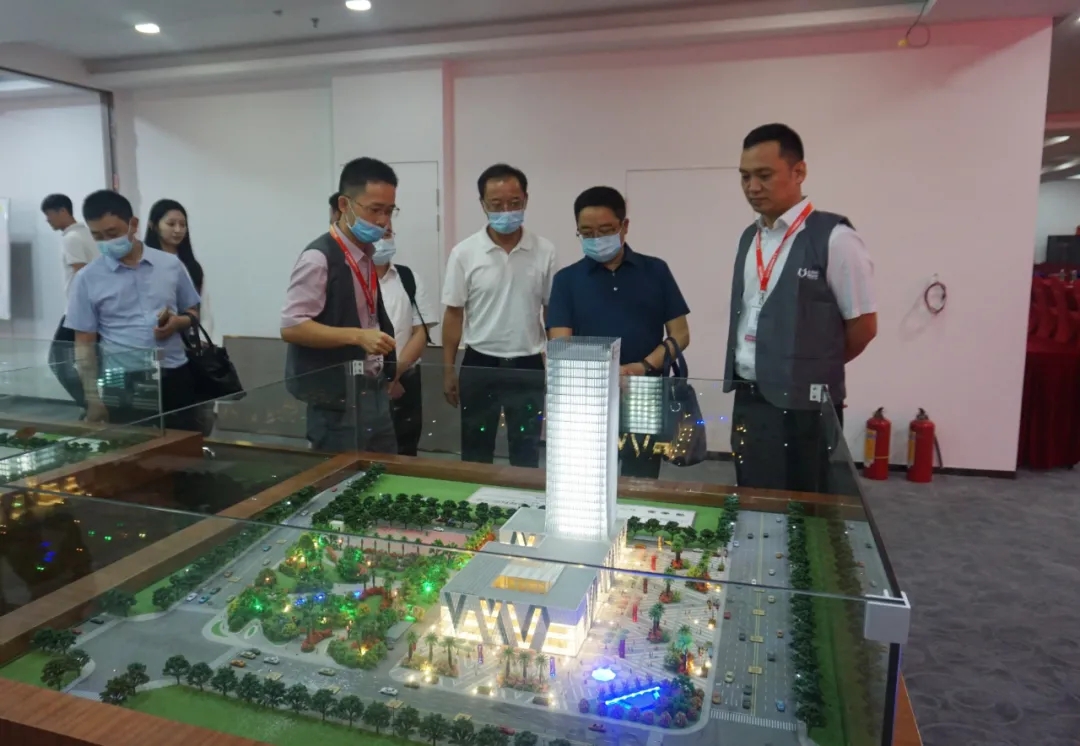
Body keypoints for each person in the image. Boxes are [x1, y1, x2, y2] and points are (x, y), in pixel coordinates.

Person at [724, 123, 876, 491]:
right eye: (745, 176)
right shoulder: (750, 238)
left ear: (799, 172)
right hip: (749, 396)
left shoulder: (836, 239)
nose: (752, 187)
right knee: (754, 495)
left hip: (805, 407)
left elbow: (863, 327)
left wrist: (809, 368)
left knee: (806, 503)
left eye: (764, 175)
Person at [547, 186, 690, 478]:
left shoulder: (656, 271)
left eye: (605, 230)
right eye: (586, 233)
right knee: (586, 477)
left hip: (644, 391)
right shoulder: (567, 280)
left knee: (641, 478)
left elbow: (681, 334)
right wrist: (605, 372)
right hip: (587, 394)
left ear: (624, 226)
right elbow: (560, 343)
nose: (596, 239)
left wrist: (642, 367)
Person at [441, 163, 556, 467]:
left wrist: (555, 364)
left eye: (514, 203)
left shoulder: (545, 251)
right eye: (496, 204)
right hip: (480, 363)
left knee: (526, 450)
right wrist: (448, 369)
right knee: (476, 449)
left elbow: (552, 312)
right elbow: (454, 314)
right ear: (483, 205)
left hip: (528, 364)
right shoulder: (464, 253)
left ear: (526, 200)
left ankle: (523, 498)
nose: (506, 211)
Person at [282, 158, 398, 453]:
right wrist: (357, 336)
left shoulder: (366, 254)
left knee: (384, 471)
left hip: (374, 390)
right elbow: (292, 327)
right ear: (345, 205)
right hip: (337, 400)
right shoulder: (318, 258)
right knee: (342, 477)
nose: (383, 221)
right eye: (374, 209)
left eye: (389, 211)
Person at [65, 190, 202, 429]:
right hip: (122, 378)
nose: (106, 242)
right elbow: (84, 344)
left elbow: (192, 311)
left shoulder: (170, 265)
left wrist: (179, 322)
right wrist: (92, 398)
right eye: (97, 236)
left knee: (183, 442)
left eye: (112, 233)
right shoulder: (87, 278)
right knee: (132, 446)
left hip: (174, 371)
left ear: (133, 224)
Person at [143, 199, 215, 435]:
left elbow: (203, 308)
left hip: (185, 351)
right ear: (154, 225)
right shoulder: (143, 263)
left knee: (187, 418)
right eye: (171, 223)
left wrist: (202, 338)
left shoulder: (191, 266)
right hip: (148, 352)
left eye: (182, 224)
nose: (178, 230)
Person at [372, 226, 437, 456]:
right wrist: (384, 377)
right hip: (366, 381)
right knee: (369, 449)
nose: (383, 240)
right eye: (377, 234)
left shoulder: (408, 277)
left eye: (387, 234)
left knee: (406, 447)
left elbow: (421, 332)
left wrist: (394, 375)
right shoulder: (352, 279)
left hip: (405, 378)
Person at [42, 193, 97, 409]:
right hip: (92, 310)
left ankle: (90, 405)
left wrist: (80, 310)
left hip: (77, 311)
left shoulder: (72, 238)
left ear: (63, 211)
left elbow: (81, 274)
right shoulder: (88, 234)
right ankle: (96, 405)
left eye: (49, 214)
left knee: (58, 360)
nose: (48, 220)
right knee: (90, 362)